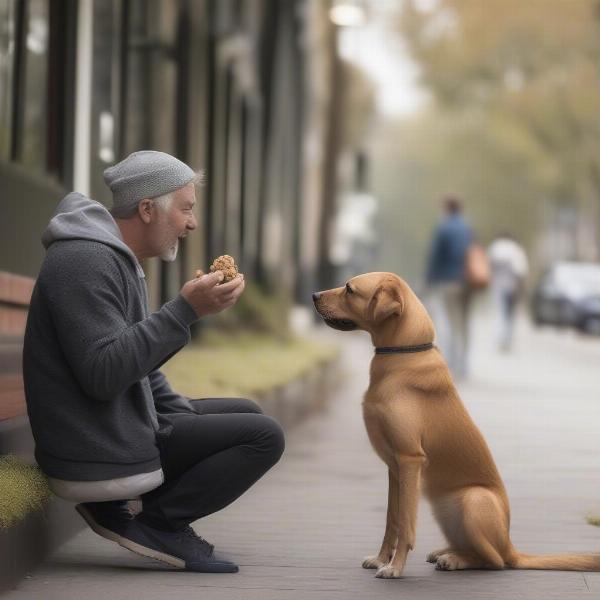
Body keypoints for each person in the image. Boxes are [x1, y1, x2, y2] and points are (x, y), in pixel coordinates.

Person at [22, 150, 285, 573]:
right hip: (94, 445)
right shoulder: (85, 260)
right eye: (185, 209)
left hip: (110, 423)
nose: (192, 224)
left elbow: (135, 361)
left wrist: (175, 410)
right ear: (147, 209)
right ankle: (160, 523)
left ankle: (130, 512)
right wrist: (184, 310)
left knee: (246, 412)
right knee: (263, 435)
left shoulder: (113, 256)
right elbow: (103, 374)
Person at [425, 195, 474, 379]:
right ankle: (464, 364)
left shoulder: (443, 228)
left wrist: (429, 278)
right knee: (465, 323)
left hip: (449, 281)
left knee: (450, 322)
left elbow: (435, 256)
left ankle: (452, 364)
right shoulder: (468, 227)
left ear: (446, 208)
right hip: (469, 281)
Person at [487, 233, 529, 352]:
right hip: (513, 286)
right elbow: (522, 271)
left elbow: (488, 268)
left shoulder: (495, 248)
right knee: (511, 315)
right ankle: (508, 340)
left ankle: (500, 339)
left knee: (500, 313)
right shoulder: (516, 250)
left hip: (498, 286)